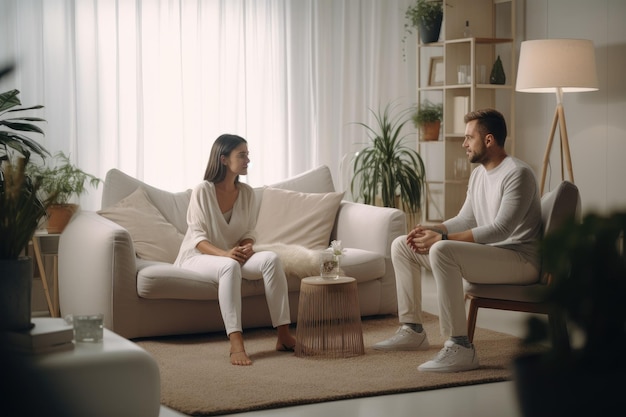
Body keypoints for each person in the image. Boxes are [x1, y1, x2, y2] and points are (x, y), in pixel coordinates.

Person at [373, 108, 542, 372]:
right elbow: (466, 219)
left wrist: (441, 237)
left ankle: (460, 347)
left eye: (468, 138)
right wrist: (431, 229)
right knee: (402, 246)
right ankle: (413, 329)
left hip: (520, 259)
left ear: (488, 140)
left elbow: (501, 230)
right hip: (492, 255)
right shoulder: (478, 175)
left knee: (442, 250)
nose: (463, 144)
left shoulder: (517, 174)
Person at [174, 133, 296, 366]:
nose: (247, 160)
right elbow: (198, 238)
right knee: (229, 266)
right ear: (223, 159)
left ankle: (284, 335)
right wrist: (226, 254)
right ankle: (236, 342)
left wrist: (246, 247)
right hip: (198, 256)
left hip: (231, 254)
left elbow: (249, 232)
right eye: (241, 155)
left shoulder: (248, 193)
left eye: (248, 155)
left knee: (271, 258)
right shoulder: (203, 191)